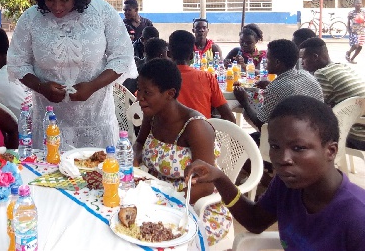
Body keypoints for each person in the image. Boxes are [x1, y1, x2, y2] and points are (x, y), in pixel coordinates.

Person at [185, 96, 365, 250]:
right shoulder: (287, 185)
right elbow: (255, 221)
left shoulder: (356, 216)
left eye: (299, 148)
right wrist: (220, 178)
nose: (283, 159)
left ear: (331, 151)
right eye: (275, 146)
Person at [7, 0, 135, 149]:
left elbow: (122, 57)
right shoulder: (31, 18)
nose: (57, 7)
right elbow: (18, 63)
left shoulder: (101, 12)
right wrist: (41, 87)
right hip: (49, 122)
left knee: (98, 174)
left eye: (65, 0)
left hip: (96, 121)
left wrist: (92, 86)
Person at [132, 58, 232, 245]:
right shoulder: (152, 115)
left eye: (147, 93)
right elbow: (139, 143)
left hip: (192, 205)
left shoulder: (195, 128)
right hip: (154, 194)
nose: (140, 98)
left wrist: (162, 202)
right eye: (139, 90)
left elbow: (205, 186)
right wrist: (134, 161)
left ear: (169, 94)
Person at [233, 39, 323, 142]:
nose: (265, 61)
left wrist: (244, 101)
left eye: (268, 58)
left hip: (290, 140)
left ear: (277, 63)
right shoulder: (307, 75)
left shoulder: (276, 87)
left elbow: (261, 124)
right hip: (314, 133)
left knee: (242, 140)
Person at [169, 30, 236, 122]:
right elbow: (230, 118)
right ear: (192, 56)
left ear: (168, 54)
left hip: (170, 135)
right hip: (201, 133)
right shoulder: (207, 77)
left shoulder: (159, 79)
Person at [299, 37, 365, 108]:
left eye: (303, 58)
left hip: (355, 117)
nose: (302, 63)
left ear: (315, 57)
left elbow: (312, 104)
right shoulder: (342, 66)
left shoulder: (322, 73)